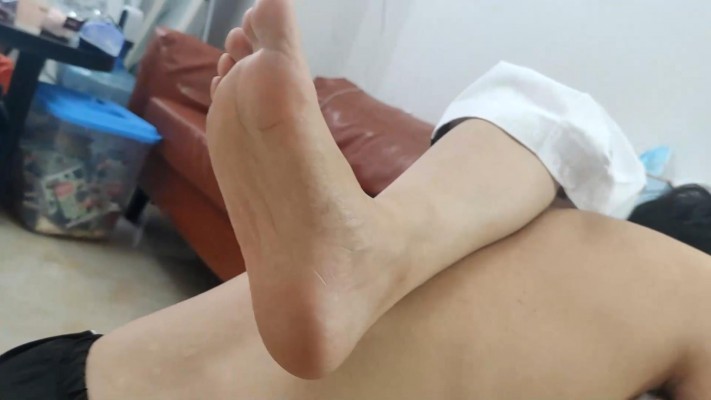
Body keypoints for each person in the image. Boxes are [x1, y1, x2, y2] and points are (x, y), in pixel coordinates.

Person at [2, 0, 709, 399]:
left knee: (570, 121)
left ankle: (379, 247)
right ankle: (373, 253)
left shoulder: (531, 223)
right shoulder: (679, 295)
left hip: (78, 374)